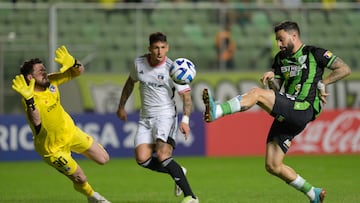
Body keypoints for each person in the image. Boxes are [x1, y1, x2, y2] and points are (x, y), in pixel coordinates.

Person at [202, 21, 351, 203]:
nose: (279, 44)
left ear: (293, 36)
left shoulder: (315, 53)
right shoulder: (280, 59)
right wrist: (273, 78)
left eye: (281, 39)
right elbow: (278, 90)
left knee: (256, 94)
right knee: (273, 165)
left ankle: (217, 110)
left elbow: (344, 69)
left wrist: (323, 83)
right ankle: (314, 193)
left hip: (303, 107)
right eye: (277, 40)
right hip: (289, 111)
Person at [12, 46, 111, 203]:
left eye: (45, 69)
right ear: (30, 78)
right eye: (40, 71)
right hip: (52, 148)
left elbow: (78, 71)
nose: (45, 73)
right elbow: (36, 121)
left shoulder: (51, 82)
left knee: (104, 159)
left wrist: (73, 62)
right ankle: (93, 197)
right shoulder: (28, 98)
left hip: (70, 132)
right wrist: (30, 100)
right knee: (79, 177)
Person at [116, 32, 199, 203]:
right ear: (150, 49)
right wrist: (121, 106)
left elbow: (187, 98)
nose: (160, 52)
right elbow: (130, 83)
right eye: (156, 48)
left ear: (167, 48)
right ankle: (177, 171)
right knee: (142, 159)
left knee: (162, 155)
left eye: (163, 48)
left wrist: (185, 120)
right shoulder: (138, 63)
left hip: (165, 116)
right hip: (145, 117)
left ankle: (191, 197)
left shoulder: (174, 69)